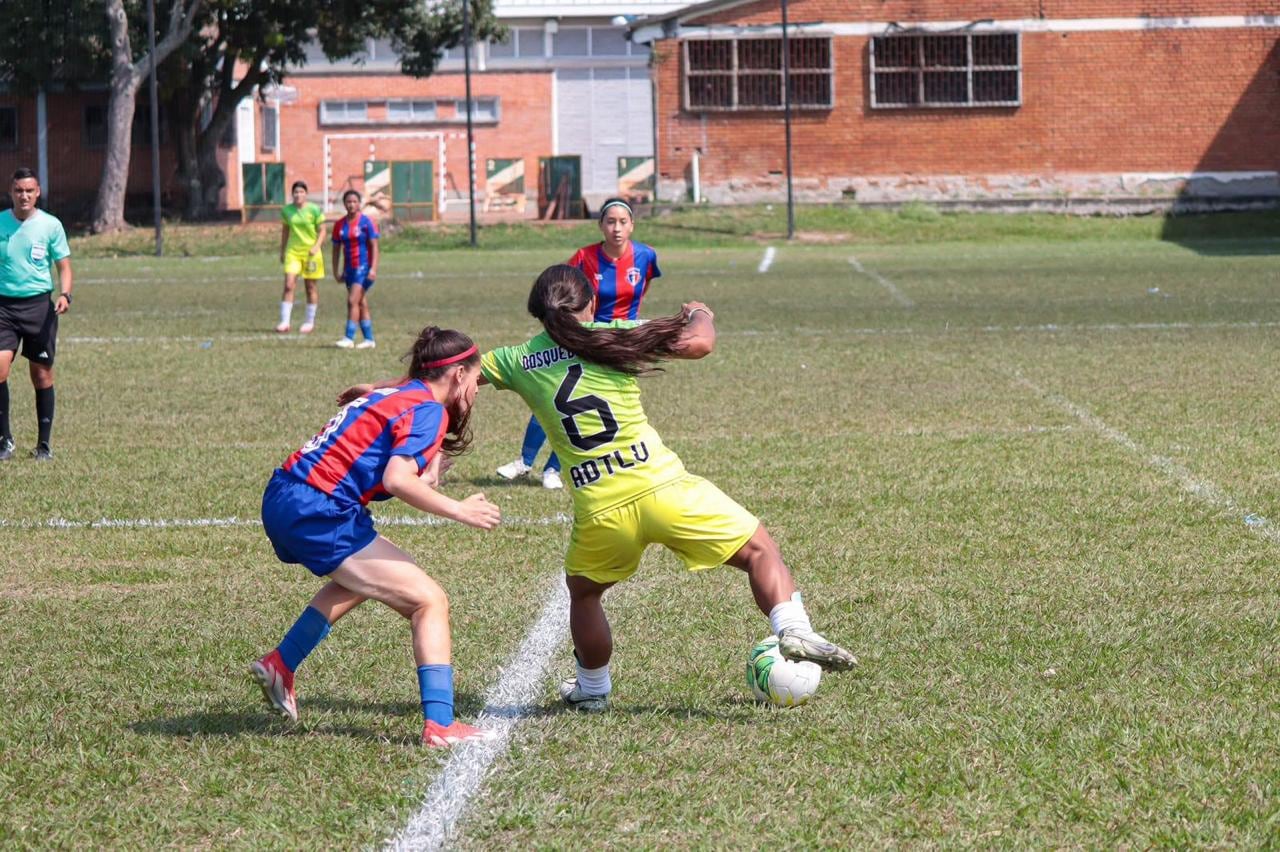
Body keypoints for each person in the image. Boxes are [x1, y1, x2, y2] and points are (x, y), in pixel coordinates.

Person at [343, 265, 856, 713]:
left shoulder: (519, 360)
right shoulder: (615, 333)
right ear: (588, 304)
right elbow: (700, 343)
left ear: (537, 313)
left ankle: (592, 688)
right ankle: (792, 627)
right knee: (759, 548)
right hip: (663, 487)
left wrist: (378, 391)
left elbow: (445, 379)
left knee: (585, 594)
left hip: (600, 507)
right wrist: (701, 311)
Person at [250, 326, 502, 747]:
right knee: (429, 600)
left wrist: (431, 463)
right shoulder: (430, 411)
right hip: (319, 509)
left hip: (287, 494)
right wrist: (460, 510)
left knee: (360, 582)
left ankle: (281, 663)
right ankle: (440, 725)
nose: (476, 391)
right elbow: (398, 479)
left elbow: (384, 407)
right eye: (476, 380)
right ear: (458, 374)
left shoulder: (399, 394)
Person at [495, 198, 660, 491]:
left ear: (632, 225)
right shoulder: (585, 257)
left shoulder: (646, 256)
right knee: (556, 396)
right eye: (610, 222)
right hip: (583, 334)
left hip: (617, 341)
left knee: (590, 404)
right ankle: (524, 460)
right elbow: (565, 291)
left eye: (623, 222)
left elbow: (641, 290)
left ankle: (552, 470)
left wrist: (628, 327)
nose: (617, 228)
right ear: (600, 226)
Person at [0, 167, 72, 461]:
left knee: (41, 375)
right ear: (11, 193)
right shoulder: (1, 222)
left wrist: (65, 294)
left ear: (38, 192)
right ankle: (5, 440)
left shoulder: (50, 225)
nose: (24, 195)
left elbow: (64, 266)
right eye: (19, 190)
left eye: (29, 190)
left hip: (39, 307)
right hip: (3, 307)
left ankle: (44, 445)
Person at [330, 189, 379, 350]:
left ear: (359, 204)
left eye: (354, 202)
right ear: (344, 204)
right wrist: (336, 271)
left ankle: (349, 337)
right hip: (349, 270)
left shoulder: (366, 222)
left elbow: (374, 246)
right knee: (360, 302)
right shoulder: (339, 225)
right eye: (348, 202)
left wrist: (373, 268)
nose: (351, 204)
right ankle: (369, 339)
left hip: (363, 268)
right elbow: (336, 249)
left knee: (352, 301)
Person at [276, 181, 326, 334]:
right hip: (293, 252)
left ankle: (309, 322)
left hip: (311, 253)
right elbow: (285, 231)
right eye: (296, 192)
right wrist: (283, 250)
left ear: (306, 194)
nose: (298, 195)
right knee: (289, 284)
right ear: (292, 194)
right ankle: (285, 322)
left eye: (301, 192)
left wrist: (316, 246)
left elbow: (323, 230)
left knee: (310, 287)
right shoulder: (286, 210)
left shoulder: (314, 209)